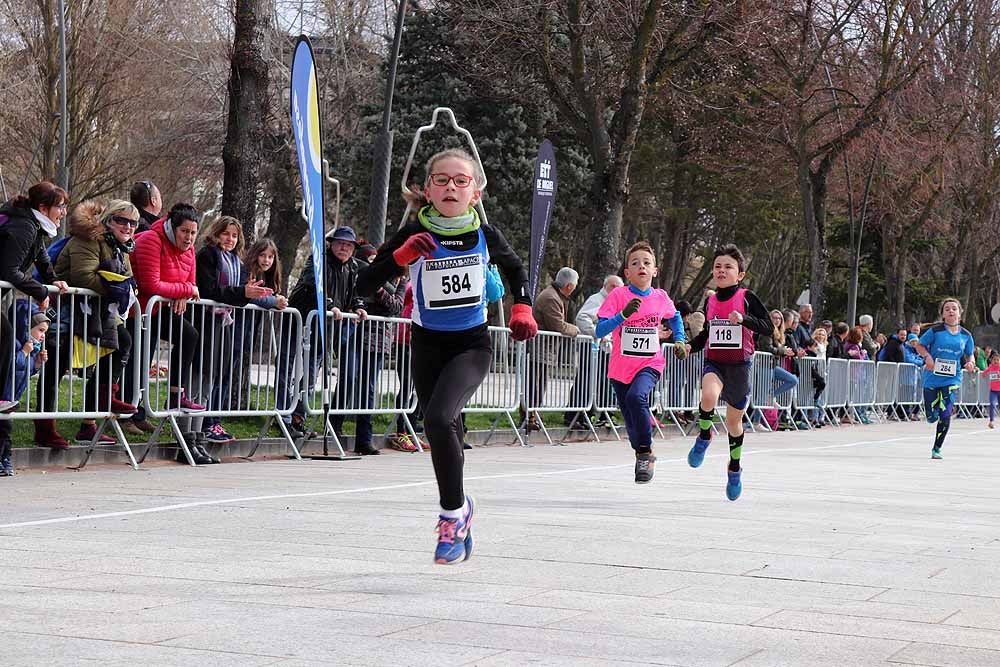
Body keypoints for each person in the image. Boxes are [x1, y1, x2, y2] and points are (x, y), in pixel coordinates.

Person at [357, 147, 538, 564]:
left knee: (436, 419)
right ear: (427, 189)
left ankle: (451, 518)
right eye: (442, 180)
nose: (451, 187)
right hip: (425, 345)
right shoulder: (413, 232)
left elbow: (517, 271)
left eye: (461, 180)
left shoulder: (485, 234)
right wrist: (400, 259)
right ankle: (463, 510)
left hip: (471, 346)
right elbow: (363, 284)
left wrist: (522, 306)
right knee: (445, 428)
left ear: (475, 192)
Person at [686, 244, 773, 501]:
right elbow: (707, 333)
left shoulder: (747, 297)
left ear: (740, 274)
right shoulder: (710, 300)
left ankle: (734, 468)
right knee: (708, 396)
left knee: (734, 422)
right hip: (715, 362)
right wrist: (690, 347)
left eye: (728, 267)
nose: (721, 270)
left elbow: (768, 326)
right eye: (718, 266)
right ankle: (704, 436)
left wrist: (744, 319)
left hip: (739, 367)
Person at [595, 242, 686, 484]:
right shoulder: (618, 295)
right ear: (627, 273)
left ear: (655, 270)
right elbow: (599, 329)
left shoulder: (660, 297)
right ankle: (642, 452)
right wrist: (622, 315)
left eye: (646, 262)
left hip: (650, 364)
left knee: (638, 398)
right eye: (635, 263)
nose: (641, 266)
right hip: (620, 368)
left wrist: (679, 339)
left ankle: (645, 452)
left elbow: (675, 318)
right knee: (631, 418)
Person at [53, 200, 140, 444]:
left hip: (100, 312)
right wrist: (117, 289)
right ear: (108, 220)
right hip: (69, 311)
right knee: (54, 368)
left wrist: (124, 288)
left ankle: (92, 419)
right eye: (121, 220)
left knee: (122, 342)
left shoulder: (122, 247)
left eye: (133, 222)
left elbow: (127, 278)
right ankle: (45, 428)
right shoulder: (90, 238)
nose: (128, 226)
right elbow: (82, 276)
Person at [132, 203, 213, 464]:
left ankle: (176, 394)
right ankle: (126, 411)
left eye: (193, 232)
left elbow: (192, 282)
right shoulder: (150, 240)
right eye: (184, 231)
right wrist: (182, 292)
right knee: (137, 360)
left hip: (162, 307)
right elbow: (150, 283)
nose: (189, 238)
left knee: (189, 335)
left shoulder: (189, 252)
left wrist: (183, 292)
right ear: (171, 226)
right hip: (141, 309)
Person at [0, 182, 72, 445]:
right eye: (60, 207)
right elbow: (10, 271)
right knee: (5, 335)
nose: (63, 212)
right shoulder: (24, 226)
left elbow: (42, 258)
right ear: (43, 208)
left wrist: (55, 280)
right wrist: (41, 292)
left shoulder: (34, 227)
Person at [191, 216, 273, 446]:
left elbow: (239, 293)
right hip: (207, 320)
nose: (230, 239)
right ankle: (197, 429)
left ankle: (202, 429)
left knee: (215, 374)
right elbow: (211, 289)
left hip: (225, 320)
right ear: (216, 233)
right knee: (202, 376)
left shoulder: (235, 260)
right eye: (226, 234)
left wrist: (247, 293)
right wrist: (243, 293)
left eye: (234, 235)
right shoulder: (208, 254)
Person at [281, 226, 367, 437]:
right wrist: (328, 305)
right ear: (331, 244)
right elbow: (313, 285)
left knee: (311, 374)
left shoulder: (352, 267)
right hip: (302, 320)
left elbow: (354, 292)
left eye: (348, 245)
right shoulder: (318, 259)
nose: (344, 248)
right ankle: (282, 416)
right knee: (287, 368)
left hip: (325, 329)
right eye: (340, 243)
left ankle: (298, 417)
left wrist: (358, 306)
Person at [910, 298, 976, 459]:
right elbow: (919, 345)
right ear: (943, 314)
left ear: (960, 313)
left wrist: (971, 363)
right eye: (947, 309)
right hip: (932, 377)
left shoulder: (966, 335)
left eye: (954, 308)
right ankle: (931, 413)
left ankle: (937, 448)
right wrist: (927, 357)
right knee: (932, 416)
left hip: (952, 378)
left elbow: (969, 354)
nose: (951, 311)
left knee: (946, 413)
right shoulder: (936, 331)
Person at [529, 267, 579, 429]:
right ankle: (530, 417)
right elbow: (557, 326)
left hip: (544, 349)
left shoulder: (553, 295)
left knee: (539, 384)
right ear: (569, 286)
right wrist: (576, 330)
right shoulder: (552, 298)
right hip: (540, 348)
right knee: (535, 384)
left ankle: (533, 416)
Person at [0, 309, 49, 476]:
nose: (42, 336)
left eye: (44, 332)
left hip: (11, 398)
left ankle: (5, 459)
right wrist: (25, 353)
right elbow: (11, 367)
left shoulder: (31, 348)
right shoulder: (14, 344)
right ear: (27, 327)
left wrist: (36, 363)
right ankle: (3, 459)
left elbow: (25, 373)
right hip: (4, 396)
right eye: (40, 330)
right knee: (4, 430)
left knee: (6, 431)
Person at [984, 351, 1000, 429]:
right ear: (991, 360)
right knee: (992, 405)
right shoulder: (990, 367)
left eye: (997, 360)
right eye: (994, 360)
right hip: (993, 391)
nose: (996, 361)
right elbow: (984, 373)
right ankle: (991, 421)